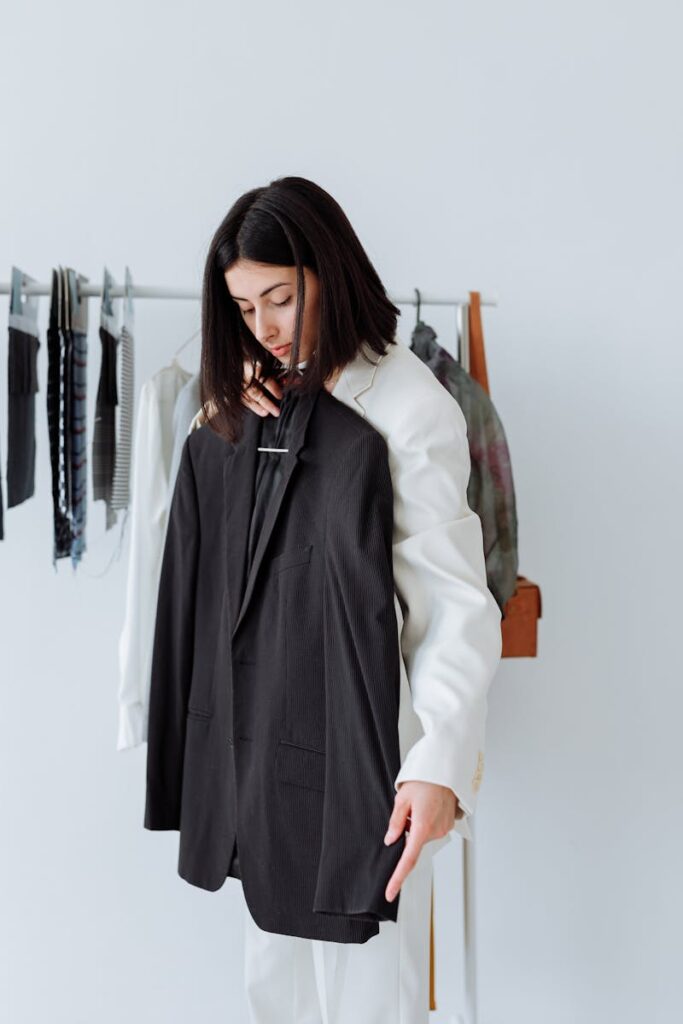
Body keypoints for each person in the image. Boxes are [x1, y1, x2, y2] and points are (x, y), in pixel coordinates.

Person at [194, 175, 502, 1023]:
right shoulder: (263, 391)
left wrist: (437, 763)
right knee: (274, 985)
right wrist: (230, 406)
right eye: (244, 308)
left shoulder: (408, 407)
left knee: (369, 993)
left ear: (328, 273)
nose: (264, 328)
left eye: (281, 299)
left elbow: (453, 602)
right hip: (271, 749)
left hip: (370, 759)